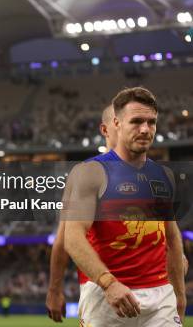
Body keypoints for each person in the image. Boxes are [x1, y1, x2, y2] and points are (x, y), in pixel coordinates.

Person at [64, 87, 186, 326]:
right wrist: (108, 282)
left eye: (151, 122)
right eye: (137, 121)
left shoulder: (164, 175)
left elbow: (171, 239)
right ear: (117, 124)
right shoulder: (90, 172)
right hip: (107, 297)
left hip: (160, 296)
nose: (145, 129)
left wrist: (179, 296)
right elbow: (72, 237)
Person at [46, 104, 118, 322]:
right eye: (119, 122)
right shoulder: (86, 174)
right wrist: (54, 290)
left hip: (152, 287)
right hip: (100, 290)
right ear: (106, 129)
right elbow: (63, 239)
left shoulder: (151, 173)